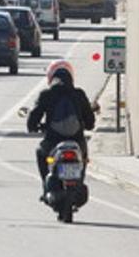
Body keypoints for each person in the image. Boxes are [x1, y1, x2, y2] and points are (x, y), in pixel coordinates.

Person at [26, 60, 96, 195]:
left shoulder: (47, 94)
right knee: (83, 157)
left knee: (41, 153)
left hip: (53, 140)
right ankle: (79, 182)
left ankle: (46, 187)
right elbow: (90, 121)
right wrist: (87, 125)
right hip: (77, 140)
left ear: (51, 77)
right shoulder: (79, 94)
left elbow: (34, 115)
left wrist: (33, 127)